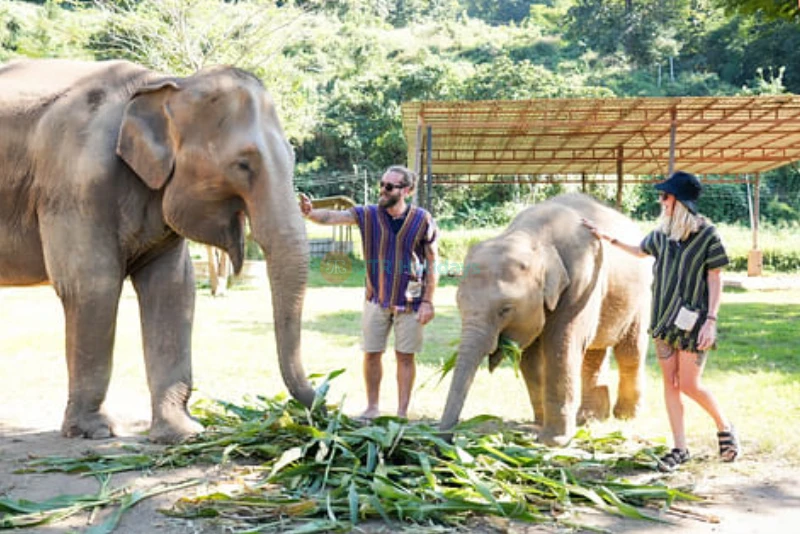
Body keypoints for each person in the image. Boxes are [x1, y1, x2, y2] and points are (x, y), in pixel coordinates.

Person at [581, 171, 740, 471]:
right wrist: (607, 237)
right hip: (665, 321)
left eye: (665, 196)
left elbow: (715, 277)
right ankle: (680, 448)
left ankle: (725, 427)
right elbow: (640, 251)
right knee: (671, 383)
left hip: (695, 323)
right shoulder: (661, 234)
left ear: (679, 201)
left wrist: (711, 320)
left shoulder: (708, 235)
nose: (661, 201)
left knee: (691, 385)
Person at [299, 165, 438, 420]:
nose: (382, 190)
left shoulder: (422, 219)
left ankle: (401, 412)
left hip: (411, 301)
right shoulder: (368, 215)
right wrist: (310, 213)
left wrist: (428, 301)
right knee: (372, 353)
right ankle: (372, 407)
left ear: (406, 190)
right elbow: (332, 217)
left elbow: (432, 262)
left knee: (405, 357)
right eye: (381, 184)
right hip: (376, 298)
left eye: (389, 186)